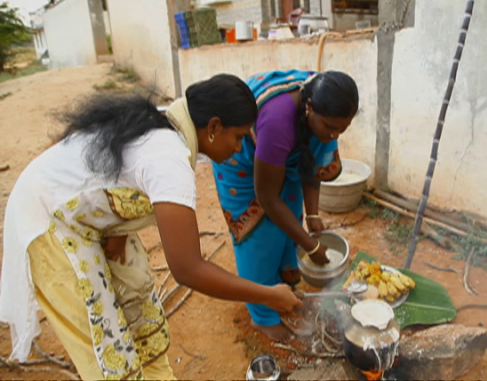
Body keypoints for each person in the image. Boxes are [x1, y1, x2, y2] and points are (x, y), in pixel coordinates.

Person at [0, 74, 303, 380]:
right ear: (213, 128)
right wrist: (267, 295)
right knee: (105, 343)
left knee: (140, 310)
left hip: (89, 216)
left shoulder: (171, 128)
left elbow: (115, 176)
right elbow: (188, 269)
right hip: (49, 218)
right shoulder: (169, 159)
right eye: (238, 137)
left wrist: (117, 230)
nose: (239, 149)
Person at [212, 70, 359, 342]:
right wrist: (312, 246)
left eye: (343, 129)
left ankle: (284, 287)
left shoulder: (328, 108)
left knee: (292, 213)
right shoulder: (279, 121)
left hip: (281, 154)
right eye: (331, 127)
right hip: (241, 164)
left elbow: (312, 161)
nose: (335, 134)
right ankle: (263, 315)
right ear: (309, 108)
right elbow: (266, 196)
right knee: (260, 236)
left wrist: (313, 215)